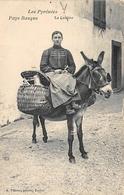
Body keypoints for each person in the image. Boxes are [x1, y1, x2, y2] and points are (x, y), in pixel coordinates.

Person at [40, 31, 81, 115]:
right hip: (51, 74)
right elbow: (43, 66)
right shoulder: (46, 52)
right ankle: (67, 106)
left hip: (63, 74)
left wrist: (67, 70)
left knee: (71, 78)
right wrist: (54, 71)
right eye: (55, 37)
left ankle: (73, 102)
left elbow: (72, 66)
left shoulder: (67, 52)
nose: (57, 39)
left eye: (59, 37)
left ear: (62, 39)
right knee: (58, 83)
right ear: (52, 39)